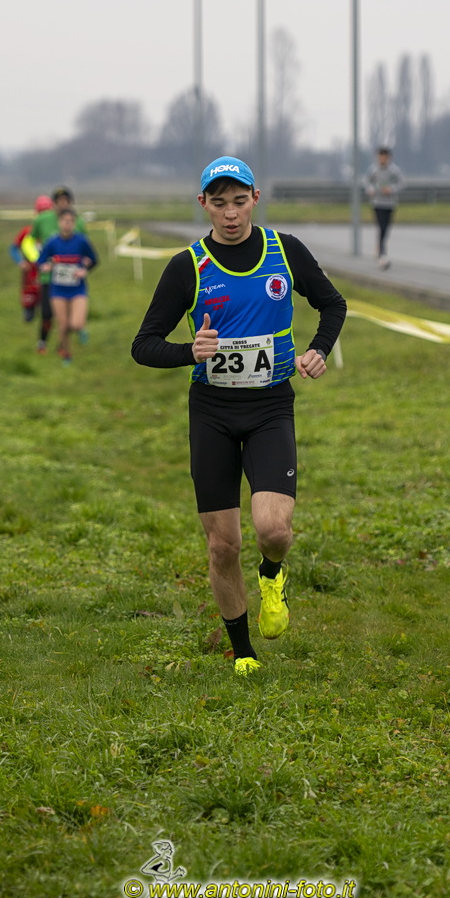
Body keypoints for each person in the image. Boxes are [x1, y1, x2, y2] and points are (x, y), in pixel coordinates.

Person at [131, 157, 346, 677]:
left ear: (255, 199)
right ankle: (243, 652)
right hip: (212, 412)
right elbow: (143, 345)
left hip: (271, 407)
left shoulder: (285, 252)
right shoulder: (188, 266)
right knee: (223, 544)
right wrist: (189, 351)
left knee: (273, 529)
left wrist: (318, 349)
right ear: (203, 204)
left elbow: (333, 304)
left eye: (239, 201)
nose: (230, 214)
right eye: (219, 203)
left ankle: (272, 574)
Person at [33, 208, 98, 364]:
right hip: (58, 290)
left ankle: (80, 329)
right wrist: (46, 266)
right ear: (59, 223)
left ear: (74, 223)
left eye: (70, 222)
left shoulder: (81, 241)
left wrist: (84, 270)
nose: (67, 224)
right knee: (63, 325)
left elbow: (94, 259)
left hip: (77, 289)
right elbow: (40, 261)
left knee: (75, 324)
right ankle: (67, 355)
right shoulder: (52, 242)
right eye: (65, 221)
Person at [29, 187, 87, 353]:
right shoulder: (42, 220)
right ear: (54, 203)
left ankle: (63, 346)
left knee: (67, 317)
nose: (63, 204)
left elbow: (85, 248)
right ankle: (43, 342)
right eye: (59, 201)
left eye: (66, 201)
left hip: (72, 278)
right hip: (49, 277)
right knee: (47, 313)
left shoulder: (79, 222)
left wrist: (83, 266)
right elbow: (31, 241)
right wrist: (39, 260)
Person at [9, 195, 52, 322]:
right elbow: (13, 248)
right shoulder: (27, 231)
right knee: (29, 305)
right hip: (30, 273)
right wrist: (20, 262)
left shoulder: (53, 233)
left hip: (48, 272)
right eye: (41, 212)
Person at [364, 146, 405, 270]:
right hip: (377, 203)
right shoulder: (373, 170)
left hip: (390, 203)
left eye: (384, 157)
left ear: (388, 158)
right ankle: (382, 253)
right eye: (380, 157)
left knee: (386, 228)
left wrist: (391, 189)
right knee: (381, 227)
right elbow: (367, 182)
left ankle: (380, 248)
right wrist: (371, 190)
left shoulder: (394, 171)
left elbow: (402, 183)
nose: (382, 159)